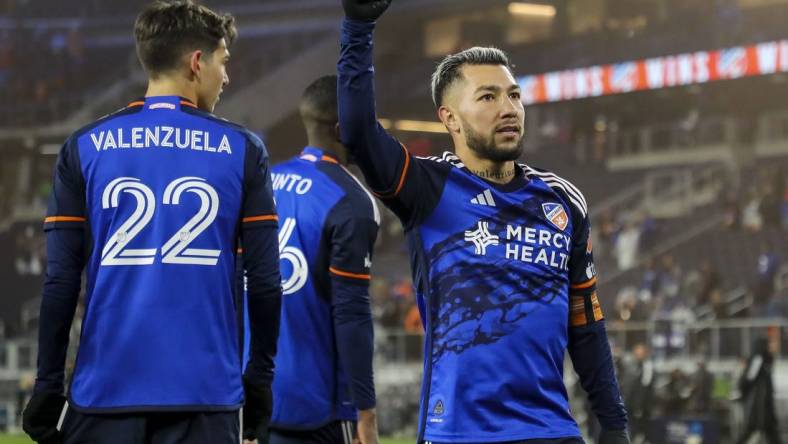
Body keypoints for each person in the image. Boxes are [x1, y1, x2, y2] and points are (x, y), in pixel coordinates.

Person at [337, 1, 629, 443]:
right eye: (488, 97)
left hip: (550, 431)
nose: (508, 108)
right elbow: (358, 132)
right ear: (449, 117)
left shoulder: (563, 202)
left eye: (514, 95)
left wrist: (614, 423)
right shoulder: (426, 189)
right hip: (458, 432)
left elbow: (585, 325)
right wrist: (357, 29)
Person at [21, 2, 282, 443]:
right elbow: (265, 282)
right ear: (196, 62)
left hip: (103, 393)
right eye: (224, 62)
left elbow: (61, 280)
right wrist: (258, 383)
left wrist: (48, 385)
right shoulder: (243, 149)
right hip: (207, 395)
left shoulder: (83, 147)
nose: (227, 77)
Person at [258, 75, 380, 444]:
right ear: (343, 128)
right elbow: (351, 313)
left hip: (254, 400)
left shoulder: (264, 182)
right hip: (318, 407)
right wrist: (365, 409)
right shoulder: (351, 201)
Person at [736, 338, 782, 444]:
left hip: (765, 405)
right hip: (758, 405)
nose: (772, 347)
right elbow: (749, 378)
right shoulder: (758, 359)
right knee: (752, 430)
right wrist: (743, 393)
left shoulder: (766, 359)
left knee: (771, 433)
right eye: (769, 345)